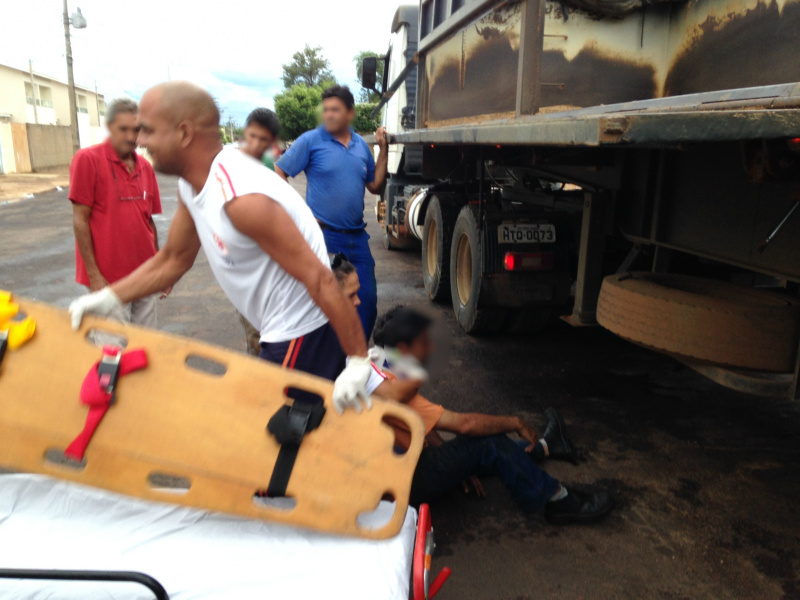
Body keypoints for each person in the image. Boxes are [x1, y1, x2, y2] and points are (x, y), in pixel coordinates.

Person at [68, 81, 374, 414]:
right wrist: (111, 297)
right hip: (280, 327)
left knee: (271, 436)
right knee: (285, 440)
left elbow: (320, 279)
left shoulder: (241, 199)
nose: (139, 141)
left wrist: (357, 359)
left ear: (184, 133)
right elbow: (174, 258)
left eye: (148, 130)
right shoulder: (192, 184)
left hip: (300, 331)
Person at [369, 306, 615, 525]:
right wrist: (515, 422)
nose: (430, 347)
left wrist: (455, 466)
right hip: (407, 482)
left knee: (475, 450)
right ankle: (555, 499)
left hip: (396, 471)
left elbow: (422, 425)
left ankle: (547, 446)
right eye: (424, 342)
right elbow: (465, 425)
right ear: (402, 348)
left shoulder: (377, 365)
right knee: (489, 442)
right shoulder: (397, 389)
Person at [276, 84, 388, 339]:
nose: (328, 115)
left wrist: (383, 151)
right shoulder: (311, 140)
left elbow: (374, 185)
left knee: (366, 301)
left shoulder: (361, 146)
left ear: (350, 113)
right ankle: (327, 362)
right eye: (325, 110)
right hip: (324, 237)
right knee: (325, 303)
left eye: (335, 110)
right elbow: (280, 171)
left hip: (357, 238)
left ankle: (354, 357)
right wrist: (299, 213)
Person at [69, 98, 164, 327]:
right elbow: (80, 219)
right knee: (113, 350)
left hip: (144, 276)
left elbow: (148, 221)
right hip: (108, 281)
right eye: (123, 129)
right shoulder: (88, 159)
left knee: (144, 347)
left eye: (136, 130)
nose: (131, 137)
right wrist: (94, 275)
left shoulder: (145, 167)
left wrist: (159, 268)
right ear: (110, 127)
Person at [237, 107, 283, 356]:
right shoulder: (234, 164)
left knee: (271, 335)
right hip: (249, 266)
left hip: (269, 265)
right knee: (259, 338)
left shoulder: (266, 164)